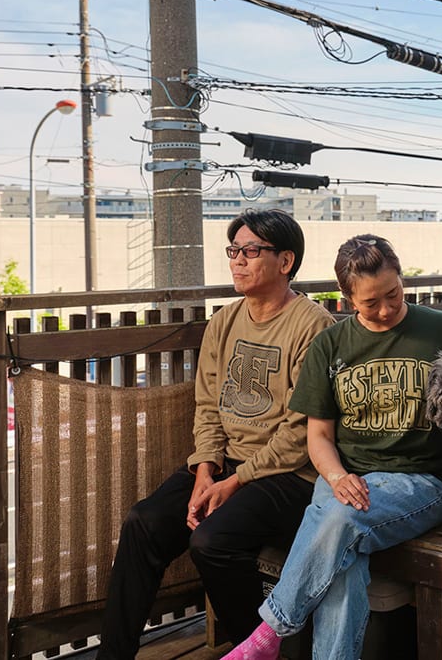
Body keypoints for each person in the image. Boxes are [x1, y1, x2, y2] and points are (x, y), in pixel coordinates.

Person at [223, 234, 442, 660]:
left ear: (401, 280)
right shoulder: (330, 345)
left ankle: (269, 634)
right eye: (370, 302)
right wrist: (338, 476)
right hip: (344, 481)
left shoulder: (438, 327)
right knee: (343, 551)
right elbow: (319, 437)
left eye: (393, 294)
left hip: (419, 483)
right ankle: (274, 640)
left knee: (340, 521)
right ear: (346, 299)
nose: (385, 309)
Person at [97, 209, 336, 658]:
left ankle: (255, 650)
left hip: (289, 476)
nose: (237, 261)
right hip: (226, 467)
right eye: (234, 251)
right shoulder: (224, 321)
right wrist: (205, 470)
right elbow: (208, 405)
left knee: (211, 541)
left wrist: (236, 481)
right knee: (144, 523)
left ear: (285, 262)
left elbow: (301, 429)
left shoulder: (313, 325)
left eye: (250, 251)